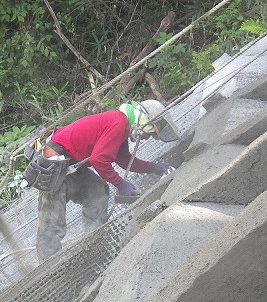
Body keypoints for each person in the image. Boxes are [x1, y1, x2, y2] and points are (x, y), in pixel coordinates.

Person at [25, 99, 181, 263]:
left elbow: (124, 159)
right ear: (143, 125)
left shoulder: (119, 125)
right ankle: (50, 270)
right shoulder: (118, 124)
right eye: (150, 133)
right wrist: (121, 184)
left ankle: (94, 247)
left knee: (97, 192)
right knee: (51, 225)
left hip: (69, 165)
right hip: (54, 168)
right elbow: (99, 160)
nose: (148, 138)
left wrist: (153, 167)